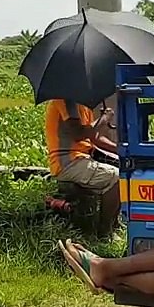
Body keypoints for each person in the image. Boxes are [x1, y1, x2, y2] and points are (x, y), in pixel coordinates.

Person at [45, 99, 120, 236]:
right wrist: (103, 119)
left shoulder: (83, 105)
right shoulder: (66, 101)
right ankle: (105, 231)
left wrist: (121, 150)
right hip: (67, 162)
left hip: (82, 158)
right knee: (115, 177)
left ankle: (114, 224)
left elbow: (94, 137)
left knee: (124, 170)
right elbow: (78, 133)